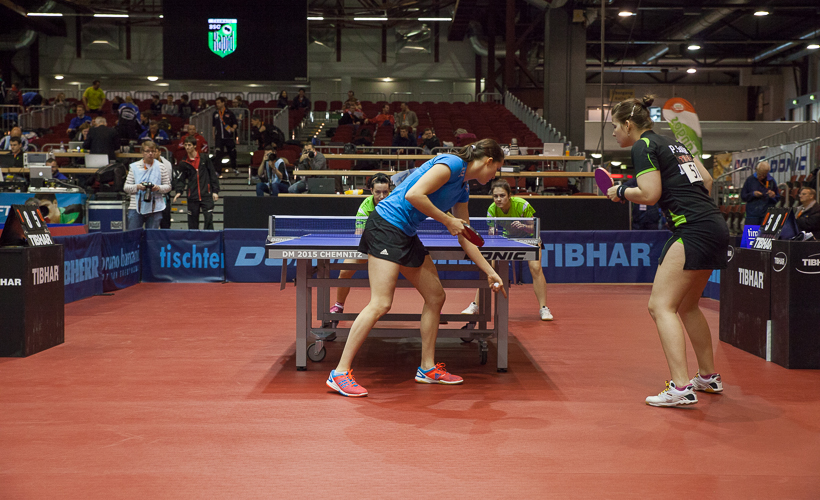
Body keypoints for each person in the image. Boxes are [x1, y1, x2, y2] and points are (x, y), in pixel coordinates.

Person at [326, 139, 508, 397]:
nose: (493, 177)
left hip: (406, 233)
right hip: (386, 226)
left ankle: (427, 367)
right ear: (488, 161)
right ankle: (339, 373)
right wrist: (447, 219)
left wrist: (491, 272)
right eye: (496, 170)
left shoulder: (463, 189)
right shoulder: (452, 164)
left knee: (435, 296)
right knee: (380, 303)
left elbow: (464, 234)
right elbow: (414, 194)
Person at [606, 94, 728, 407]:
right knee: (687, 305)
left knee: (660, 306)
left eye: (615, 128)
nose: (614, 134)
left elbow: (649, 194)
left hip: (693, 229)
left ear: (629, 125)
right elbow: (709, 181)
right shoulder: (675, 144)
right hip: (715, 224)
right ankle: (708, 376)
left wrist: (621, 190)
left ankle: (681, 386)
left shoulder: (643, 145)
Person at [461, 179, 553, 321]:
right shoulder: (492, 209)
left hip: (529, 239)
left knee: (535, 268)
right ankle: (475, 305)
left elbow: (534, 228)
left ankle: (544, 308)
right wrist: (492, 235)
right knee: (489, 269)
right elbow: (493, 232)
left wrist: (523, 226)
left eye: (502, 196)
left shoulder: (522, 205)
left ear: (509, 195)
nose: (498, 199)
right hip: (506, 239)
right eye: (495, 196)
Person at [328, 174, 392, 319]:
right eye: (378, 192)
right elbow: (358, 234)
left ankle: (433, 306)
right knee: (344, 272)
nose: (382, 196)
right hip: (369, 247)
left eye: (385, 192)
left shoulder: (396, 202)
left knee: (419, 272)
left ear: (390, 191)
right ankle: (339, 304)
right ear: (371, 190)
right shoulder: (365, 207)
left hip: (393, 248)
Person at [173, 136, 220, 230]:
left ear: (194, 146)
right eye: (185, 145)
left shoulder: (205, 158)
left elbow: (212, 175)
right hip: (192, 195)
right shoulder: (183, 162)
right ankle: (194, 240)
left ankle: (209, 239)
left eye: (189, 145)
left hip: (206, 194)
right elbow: (181, 179)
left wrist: (215, 191)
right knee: (192, 221)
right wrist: (179, 191)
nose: (187, 147)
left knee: (208, 218)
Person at [124, 140, 171, 229]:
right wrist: (137, 187)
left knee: (151, 237)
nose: (150, 154)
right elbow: (126, 187)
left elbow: (168, 187)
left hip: (155, 206)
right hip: (136, 206)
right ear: (142, 152)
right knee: (133, 236)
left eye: (152, 151)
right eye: (147, 151)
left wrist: (158, 188)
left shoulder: (161, 166)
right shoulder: (134, 167)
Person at [740, 160, 780, 225]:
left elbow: (777, 198)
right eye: (760, 174)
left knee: (765, 235)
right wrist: (753, 194)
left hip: (767, 215)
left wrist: (773, 196)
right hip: (752, 216)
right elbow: (743, 196)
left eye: (764, 174)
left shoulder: (771, 181)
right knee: (751, 234)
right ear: (756, 170)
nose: (762, 177)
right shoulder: (750, 180)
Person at [212, 97, 238, 173]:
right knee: (218, 153)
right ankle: (218, 170)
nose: (217, 104)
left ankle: (234, 167)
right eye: (216, 103)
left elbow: (235, 123)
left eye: (219, 103)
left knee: (232, 152)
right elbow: (213, 126)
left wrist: (233, 128)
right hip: (219, 137)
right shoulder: (215, 114)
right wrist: (214, 134)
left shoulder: (229, 113)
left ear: (223, 103)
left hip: (228, 137)